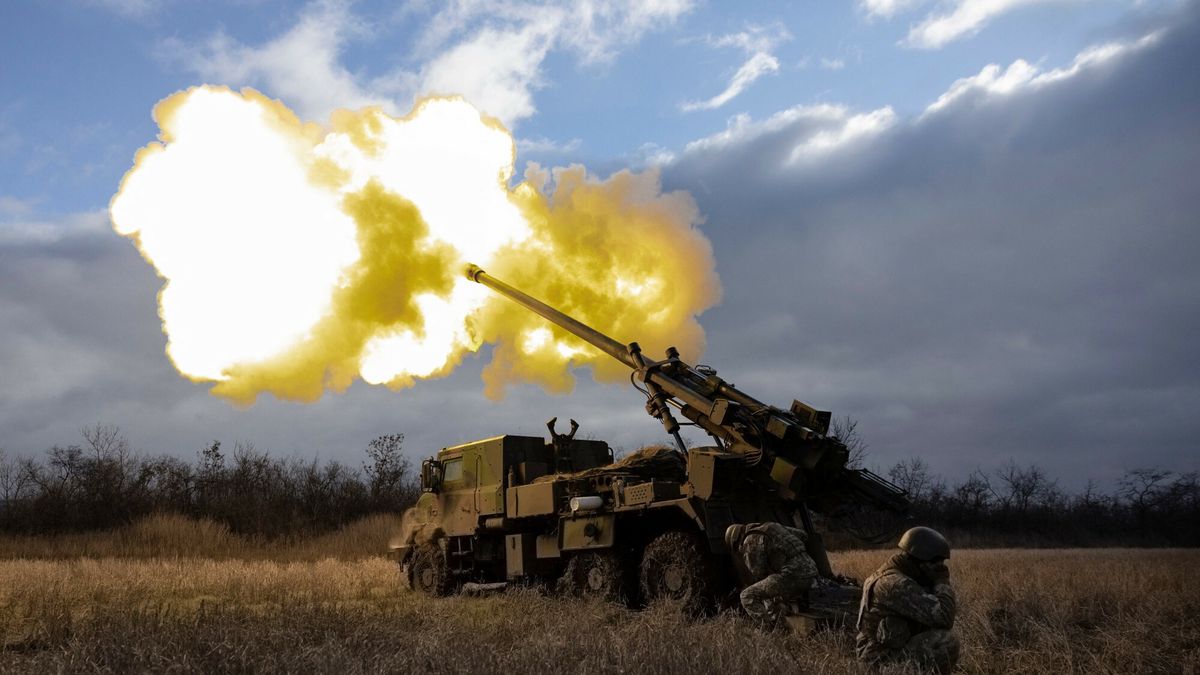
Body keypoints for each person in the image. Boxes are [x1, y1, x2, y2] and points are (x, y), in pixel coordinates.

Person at [856, 526, 960, 674]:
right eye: (936, 565)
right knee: (946, 641)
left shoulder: (897, 571)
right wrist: (942, 581)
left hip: (880, 653)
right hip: (878, 662)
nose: (940, 569)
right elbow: (945, 617)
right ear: (921, 562)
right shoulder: (895, 584)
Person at [724, 522, 818, 625]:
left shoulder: (749, 542)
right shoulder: (772, 526)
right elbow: (803, 535)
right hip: (811, 570)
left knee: (747, 596)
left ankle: (770, 628)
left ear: (737, 540)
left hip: (792, 575)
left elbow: (758, 574)